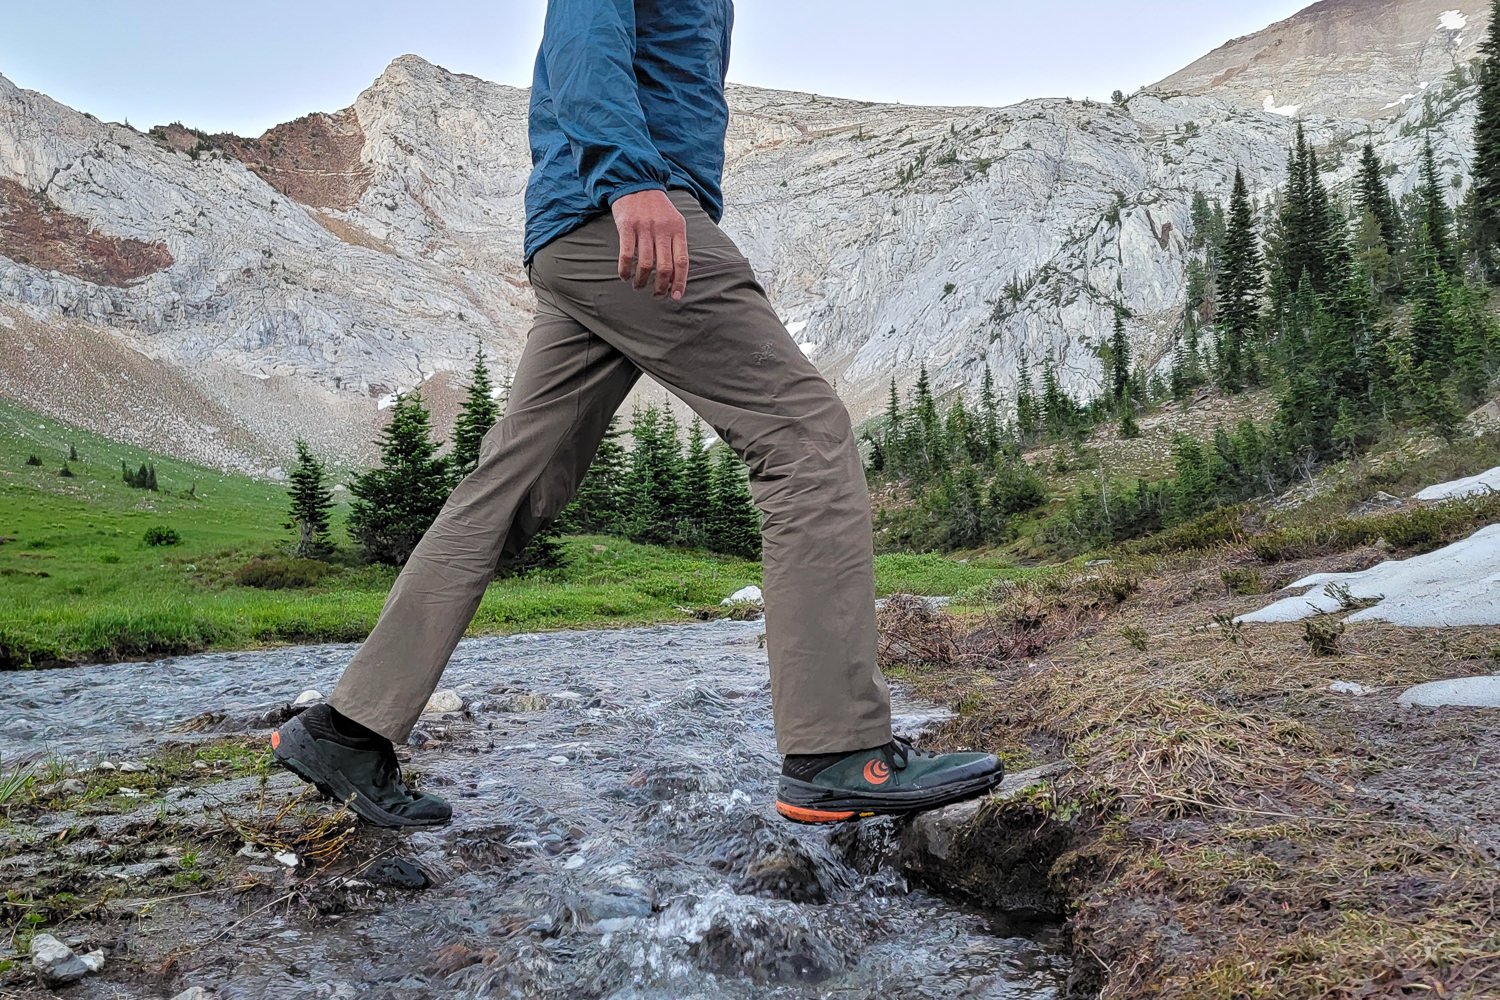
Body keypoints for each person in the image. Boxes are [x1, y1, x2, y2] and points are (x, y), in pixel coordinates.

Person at [272, 0, 1004, 827]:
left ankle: (347, 728)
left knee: (513, 487)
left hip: (583, 229)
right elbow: (583, 34)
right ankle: (838, 749)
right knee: (805, 438)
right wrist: (631, 180)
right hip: (624, 217)